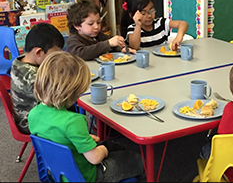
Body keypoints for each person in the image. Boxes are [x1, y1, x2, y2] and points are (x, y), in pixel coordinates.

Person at [28, 51, 146, 182]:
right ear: (70, 93)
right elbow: (95, 158)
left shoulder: (33, 114)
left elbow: (53, 135)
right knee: (137, 161)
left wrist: (79, 137)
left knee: (115, 147)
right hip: (86, 176)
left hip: (57, 172)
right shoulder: (73, 121)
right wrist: (103, 150)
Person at [11, 23, 64, 134]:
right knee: (71, 116)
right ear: (39, 52)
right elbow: (55, 98)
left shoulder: (19, 61)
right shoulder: (32, 77)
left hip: (27, 114)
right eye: (54, 55)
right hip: (30, 122)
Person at [66, 0, 135, 61]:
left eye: (98, 22)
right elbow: (82, 54)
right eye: (91, 24)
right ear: (77, 26)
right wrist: (108, 43)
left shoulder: (98, 35)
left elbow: (112, 45)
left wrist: (121, 48)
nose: (96, 26)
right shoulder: (73, 40)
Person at [120, 0, 189, 50]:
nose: (149, 16)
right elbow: (134, 47)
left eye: (151, 10)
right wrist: (138, 25)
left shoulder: (161, 23)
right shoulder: (133, 29)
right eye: (143, 13)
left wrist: (179, 37)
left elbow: (183, 24)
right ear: (132, 15)